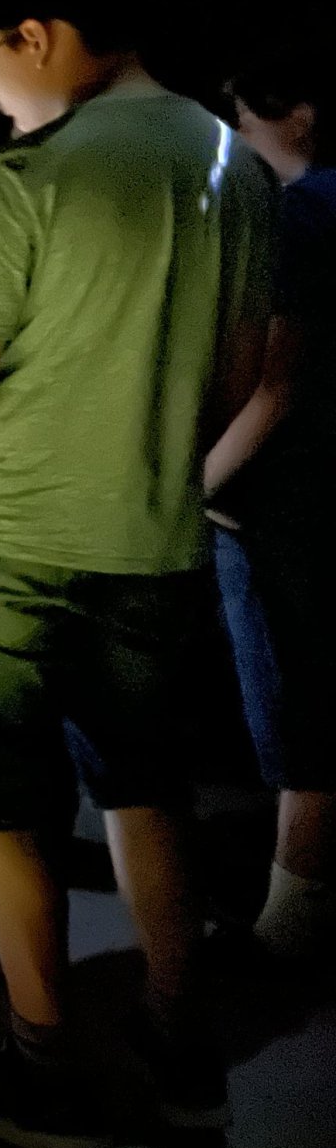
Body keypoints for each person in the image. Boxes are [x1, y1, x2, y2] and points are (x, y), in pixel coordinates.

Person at [0, 0, 272, 1148]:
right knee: (148, 794)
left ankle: (45, 1074)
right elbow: (241, 366)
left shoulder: (25, 177)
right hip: (153, 544)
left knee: (8, 812)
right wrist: (158, 464)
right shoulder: (230, 166)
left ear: (38, 34)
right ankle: (178, 1049)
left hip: (5, 541)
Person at [205, 55, 336, 960]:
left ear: (298, 115)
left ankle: (289, 926)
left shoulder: (305, 213)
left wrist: (195, 487)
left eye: (246, 116)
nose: (237, 133)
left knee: (297, 709)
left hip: (288, 496)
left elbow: (275, 386)